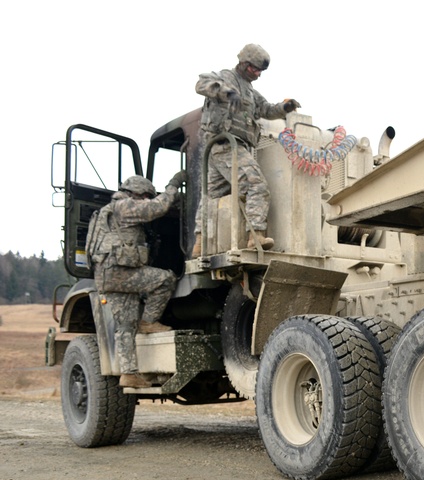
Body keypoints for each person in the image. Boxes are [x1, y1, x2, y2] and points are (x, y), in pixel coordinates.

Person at [192, 44, 300, 255]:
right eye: (254, 69)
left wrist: (284, 108)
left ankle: (200, 243)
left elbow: (265, 109)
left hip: (224, 149)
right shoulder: (225, 77)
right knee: (256, 185)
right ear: (243, 63)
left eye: (261, 71)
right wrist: (227, 93)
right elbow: (201, 83)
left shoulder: (250, 91)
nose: (258, 74)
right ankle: (256, 235)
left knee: (211, 197)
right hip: (224, 146)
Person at [89, 173, 185, 388]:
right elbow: (157, 208)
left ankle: (129, 373)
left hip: (108, 275)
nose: (146, 201)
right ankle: (150, 321)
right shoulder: (124, 206)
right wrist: (173, 186)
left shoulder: (108, 211)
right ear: (137, 193)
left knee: (126, 325)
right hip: (120, 273)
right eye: (146, 197)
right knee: (164, 279)